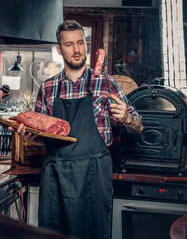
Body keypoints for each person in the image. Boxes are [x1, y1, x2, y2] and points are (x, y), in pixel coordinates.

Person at [13, 20, 143, 239]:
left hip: (94, 174)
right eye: (69, 44)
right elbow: (44, 138)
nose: (76, 50)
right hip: (57, 176)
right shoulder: (47, 88)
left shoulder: (106, 83)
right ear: (59, 49)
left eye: (81, 43)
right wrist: (31, 138)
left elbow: (139, 127)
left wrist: (128, 118)